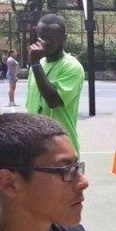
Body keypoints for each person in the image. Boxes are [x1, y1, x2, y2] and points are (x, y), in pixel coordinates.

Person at [25, 14, 85, 156]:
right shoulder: (38, 66)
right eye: (41, 37)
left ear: (64, 38)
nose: (45, 42)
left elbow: (53, 100)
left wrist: (34, 63)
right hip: (36, 147)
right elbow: (32, 107)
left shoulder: (72, 67)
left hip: (60, 150)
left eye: (51, 38)